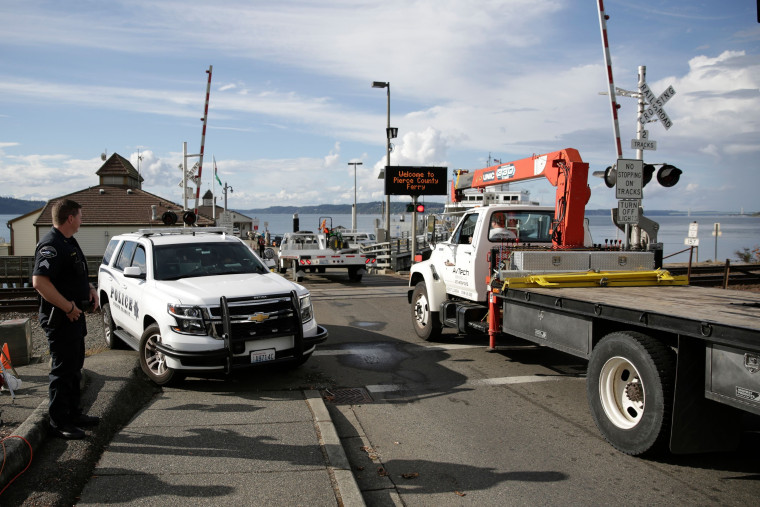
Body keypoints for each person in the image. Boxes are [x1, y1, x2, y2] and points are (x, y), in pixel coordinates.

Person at [32, 199, 100, 440]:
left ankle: (73, 414)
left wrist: (90, 288)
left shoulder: (68, 241)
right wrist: (68, 306)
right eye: (80, 215)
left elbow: (73, 275)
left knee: (74, 368)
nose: (82, 220)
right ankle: (58, 422)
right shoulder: (51, 244)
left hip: (74, 318)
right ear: (70, 218)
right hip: (61, 319)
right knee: (62, 371)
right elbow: (40, 282)